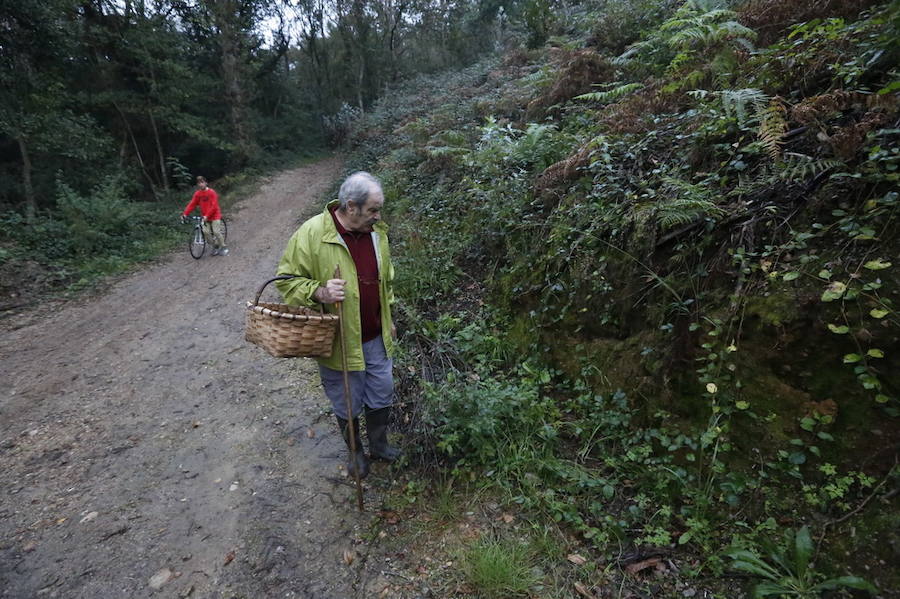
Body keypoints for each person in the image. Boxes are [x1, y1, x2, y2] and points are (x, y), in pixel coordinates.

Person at [275, 172, 399, 479]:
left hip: (376, 336)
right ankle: (356, 452)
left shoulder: (376, 233)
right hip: (339, 339)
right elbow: (287, 281)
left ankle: (380, 445)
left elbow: (387, 282)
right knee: (346, 399)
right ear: (351, 206)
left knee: (382, 391)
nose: (377, 215)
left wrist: (390, 318)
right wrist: (319, 291)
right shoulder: (313, 233)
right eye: (372, 209)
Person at [182, 176, 228, 256]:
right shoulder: (198, 194)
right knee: (206, 232)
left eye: (202, 182)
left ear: (206, 183)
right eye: (199, 183)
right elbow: (192, 204)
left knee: (216, 232)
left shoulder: (212, 192)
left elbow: (214, 206)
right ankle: (215, 246)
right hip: (204, 217)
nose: (201, 184)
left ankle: (224, 247)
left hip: (215, 215)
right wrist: (185, 214)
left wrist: (207, 215)